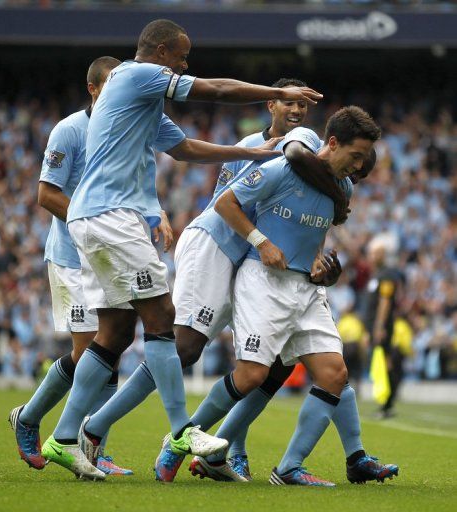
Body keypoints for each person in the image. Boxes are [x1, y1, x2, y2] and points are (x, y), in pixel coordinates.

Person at [41, 18, 323, 481]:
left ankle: (66, 437)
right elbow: (214, 88)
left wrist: (253, 154)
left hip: (97, 218)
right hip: (111, 216)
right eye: (182, 56)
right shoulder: (136, 74)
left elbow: (187, 148)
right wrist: (275, 94)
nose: (185, 64)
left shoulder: (142, 103)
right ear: (161, 51)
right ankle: (181, 431)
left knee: (113, 332)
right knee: (162, 317)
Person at [185, 107, 398, 486]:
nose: (361, 165)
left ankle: (288, 468)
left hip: (305, 289)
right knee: (253, 375)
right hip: (263, 280)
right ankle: (184, 439)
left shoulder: (342, 190)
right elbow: (225, 202)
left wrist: (322, 270)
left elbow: (311, 240)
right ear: (332, 143)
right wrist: (261, 241)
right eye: (357, 155)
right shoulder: (282, 167)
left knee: (334, 374)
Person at [8, 57, 134, 476]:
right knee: (88, 355)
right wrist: (93, 222)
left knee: (111, 348)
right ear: (94, 88)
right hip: (71, 258)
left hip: (108, 257)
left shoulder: (123, 129)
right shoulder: (69, 130)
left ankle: (94, 448)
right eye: (113, 85)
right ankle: (28, 418)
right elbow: (46, 194)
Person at [364, 237, 405, 419]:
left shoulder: (387, 274)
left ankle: (387, 403)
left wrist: (379, 326)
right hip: (374, 327)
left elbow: (385, 302)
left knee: (384, 362)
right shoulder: (377, 274)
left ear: (383, 254)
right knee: (379, 364)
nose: (372, 256)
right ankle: (385, 403)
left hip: (382, 327)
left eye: (376, 253)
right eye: (371, 252)